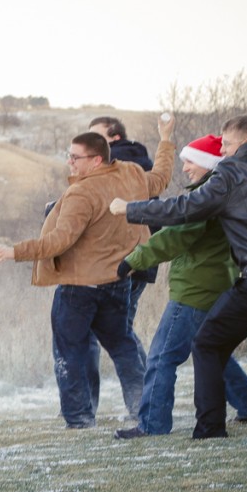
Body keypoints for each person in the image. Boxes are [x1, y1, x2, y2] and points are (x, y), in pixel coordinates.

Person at [110, 110, 247, 438]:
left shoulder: (232, 170)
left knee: (207, 345)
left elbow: (184, 210)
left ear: (245, 141)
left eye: (227, 143)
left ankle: (210, 429)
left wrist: (129, 209)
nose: (224, 150)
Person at [0, 115, 174, 428]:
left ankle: (79, 418)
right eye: (69, 155)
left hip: (79, 288)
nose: (69, 162)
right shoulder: (131, 174)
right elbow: (162, 177)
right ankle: (143, 406)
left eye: (75, 158)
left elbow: (59, 241)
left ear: (97, 159)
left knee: (69, 351)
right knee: (123, 345)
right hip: (118, 281)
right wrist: (166, 138)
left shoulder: (81, 194)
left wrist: (14, 251)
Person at [112, 134, 247, 440]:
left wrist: (135, 259)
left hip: (195, 288)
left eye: (190, 161)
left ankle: (153, 425)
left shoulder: (207, 196)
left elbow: (176, 237)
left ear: (210, 163)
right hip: (216, 282)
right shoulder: (227, 191)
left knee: (162, 357)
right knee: (210, 350)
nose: (185, 168)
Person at [84, 116, 156, 409]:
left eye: (94, 137)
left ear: (113, 138)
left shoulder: (118, 164)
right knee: (119, 331)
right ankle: (151, 393)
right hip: (138, 258)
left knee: (118, 333)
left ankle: (146, 399)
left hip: (124, 260)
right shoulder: (135, 162)